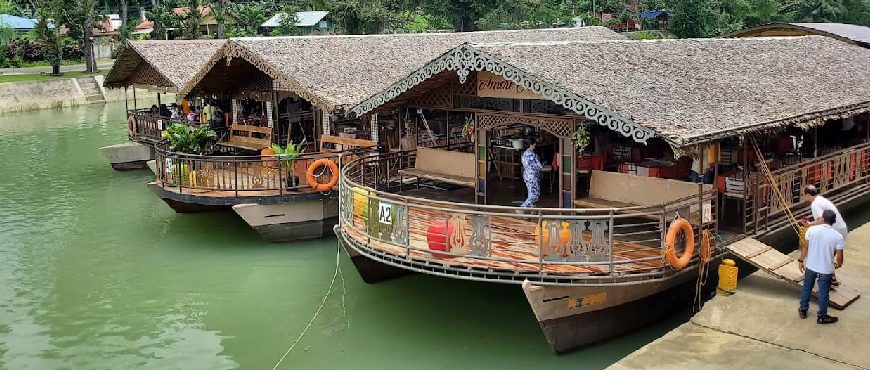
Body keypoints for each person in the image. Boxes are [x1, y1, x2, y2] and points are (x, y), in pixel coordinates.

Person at [798, 209, 845, 324]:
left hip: (811, 265)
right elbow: (839, 256)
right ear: (833, 221)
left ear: (823, 219)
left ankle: (803, 309)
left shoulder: (811, 230)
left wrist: (800, 260)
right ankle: (822, 316)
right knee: (823, 292)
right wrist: (837, 265)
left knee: (807, 288)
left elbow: (805, 247)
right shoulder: (838, 236)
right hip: (826, 269)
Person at [520, 137, 543, 208]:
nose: (535, 145)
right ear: (531, 145)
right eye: (534, 143)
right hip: (533, 176)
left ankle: (531, 210)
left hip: (526, 175)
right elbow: (540, 166)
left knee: (530, 193)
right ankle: (523, 207)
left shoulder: (524, 154)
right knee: (535, 195)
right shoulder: (533, 155)